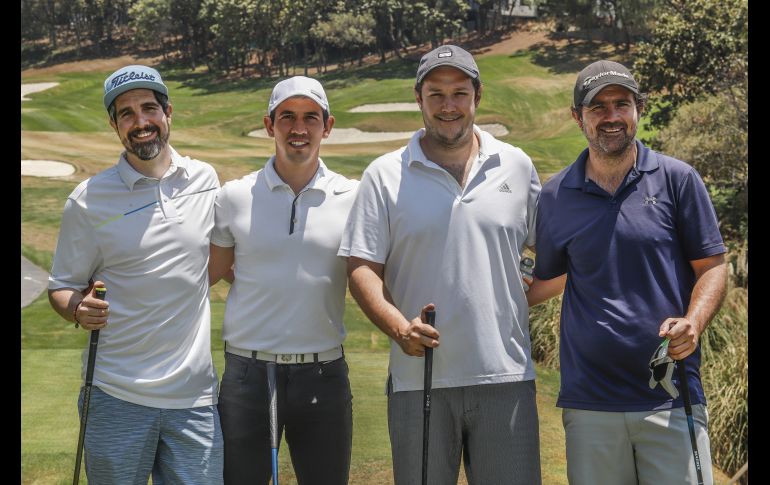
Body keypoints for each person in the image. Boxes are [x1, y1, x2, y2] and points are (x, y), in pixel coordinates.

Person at [339, 45, 542, 484]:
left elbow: (547, 255)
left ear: (477, 96)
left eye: (459, 93)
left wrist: (516, 293)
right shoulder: (384, 174)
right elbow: (361, 267)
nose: (448, 106)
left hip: (505, 374)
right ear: (419, 98)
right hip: (418, 379)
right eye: (436, 94)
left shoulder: (517, 166)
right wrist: (398, 328)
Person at [527, 59, 727, 485]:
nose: (611, 116)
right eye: (597, 107)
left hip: (672, 397)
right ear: (577, 116)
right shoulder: (556, 194)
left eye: (622, 103)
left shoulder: (678, 179)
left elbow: (712, 266)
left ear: (639, 108)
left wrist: (693, 322)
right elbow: (545, 279)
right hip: (589, 401)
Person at [48, 65, 223, 483]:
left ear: (168, 113)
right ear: (114, 124)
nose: (140, 122)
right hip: (115, 395)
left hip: (195, 400)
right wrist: (77, 309)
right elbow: (61, 286)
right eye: (126, 113)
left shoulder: (205, 180)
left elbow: (214, 267)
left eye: (148, 108)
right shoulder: (88, 201)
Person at [209, 76, 358, 484]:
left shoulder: (354, 197)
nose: (299, 128)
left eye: (311, 117)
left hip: (323, 374)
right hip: (246, 376)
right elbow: (212, 271)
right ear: (268, 124)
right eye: (287, 117)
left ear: (327, 126)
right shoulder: (234, 196)